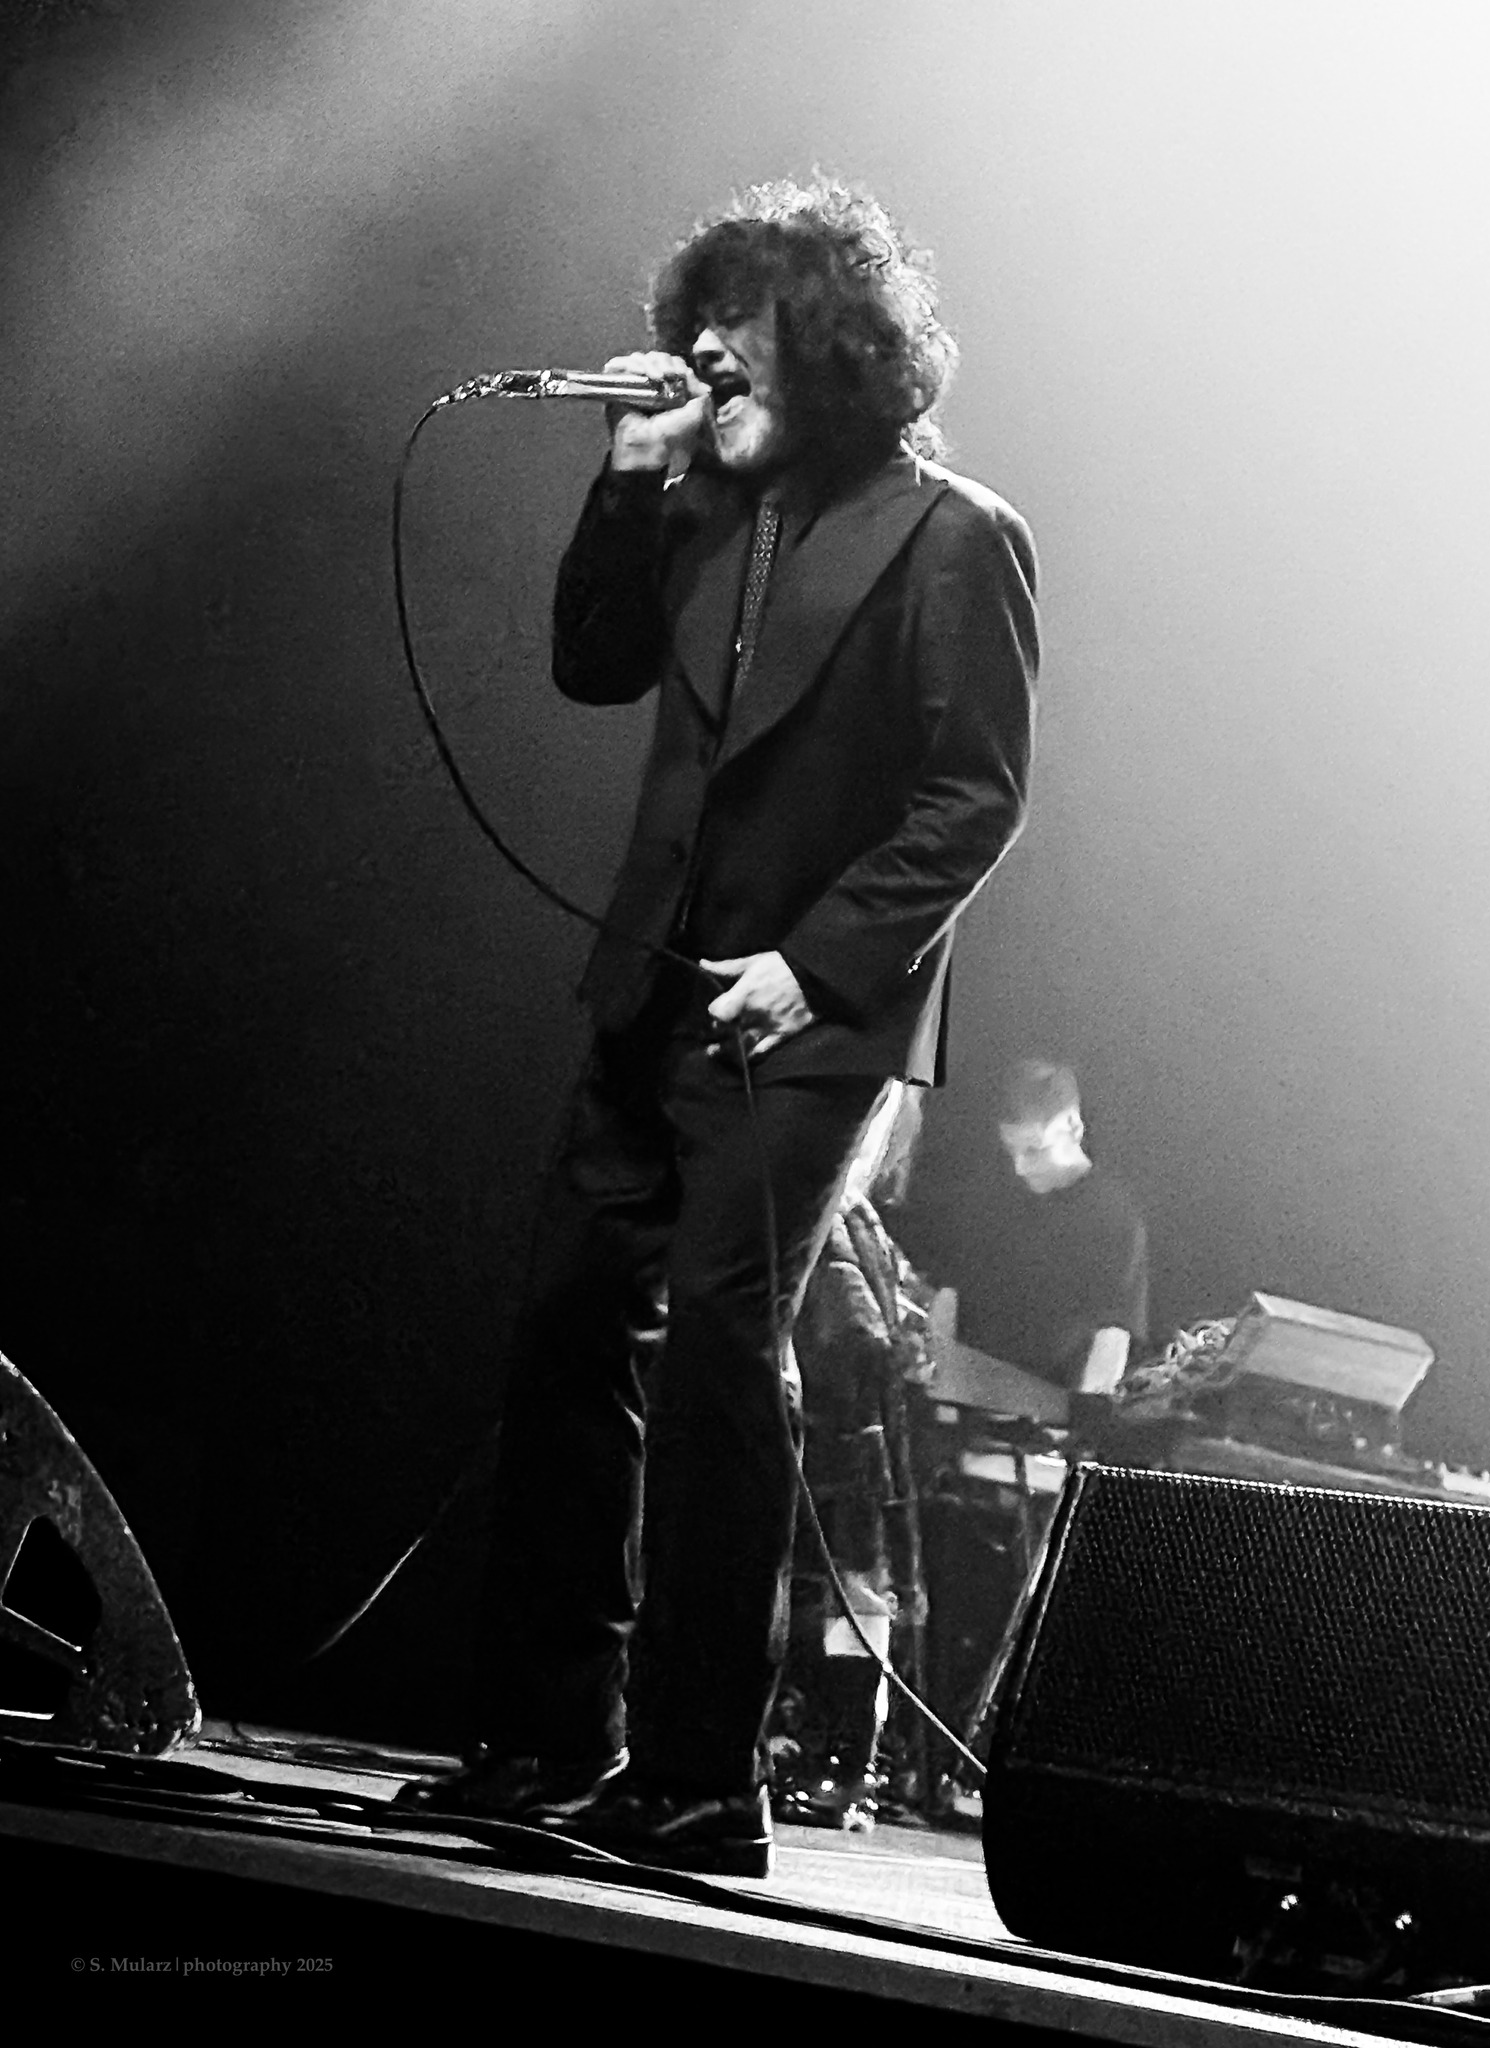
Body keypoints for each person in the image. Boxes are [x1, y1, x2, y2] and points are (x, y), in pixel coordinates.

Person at [397, 175, 1038, 1877]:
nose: (703, 352)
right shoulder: (694, 508)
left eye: (741, 328)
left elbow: (975, 797)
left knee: (720, 1354)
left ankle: (699, 1779)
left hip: (804, 1020)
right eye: (699, 321)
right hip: (648, 985)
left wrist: (817, 966)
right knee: (564, 1331)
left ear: (831, 347)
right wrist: (626, 477)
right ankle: (548, 1735)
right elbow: (591, 664)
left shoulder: (953, 534)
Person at [771, 1082, 933, 1833]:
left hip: (836, 1448)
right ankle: (844, 1761)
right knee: (854, 1600)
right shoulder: (858, 1222)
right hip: (852, 1450)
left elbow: (859, 1337)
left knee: (843, 1601)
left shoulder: (835, 1219)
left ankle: (837, 1761)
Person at [904, 1057, 1149, 1395]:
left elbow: (1113, 1337)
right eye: (1012, 1149)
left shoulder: (1115, 1220)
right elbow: (950, 1294)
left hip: (1049, 1412)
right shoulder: (991, 1196)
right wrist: (936, 1387)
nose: (1020, 1167)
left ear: (1073, 1127)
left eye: (1035, 1150)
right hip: (965, 1401)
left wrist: (1084, 1415)